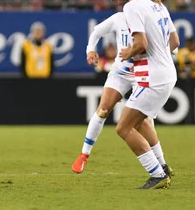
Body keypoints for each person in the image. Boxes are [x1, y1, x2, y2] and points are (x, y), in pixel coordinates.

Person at [72, 9, 174, 180]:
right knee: (103, 109)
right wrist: (90, 50)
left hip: (142, 72)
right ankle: (84, 155)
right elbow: (97, 31)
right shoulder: (120, 18)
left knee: (142, 122)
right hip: (120, 72)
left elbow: (168, 41)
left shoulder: (147, 18)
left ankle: (162, 165)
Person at [116, 0, 180, 189]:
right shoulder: (158, 5)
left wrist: (129, 53)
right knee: (140, 122)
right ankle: (162, 167)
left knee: (123, 128)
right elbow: (175, 42)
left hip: (153, 77)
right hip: (167, 73)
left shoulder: (132, 7)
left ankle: (157, 174)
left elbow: (141, 43)